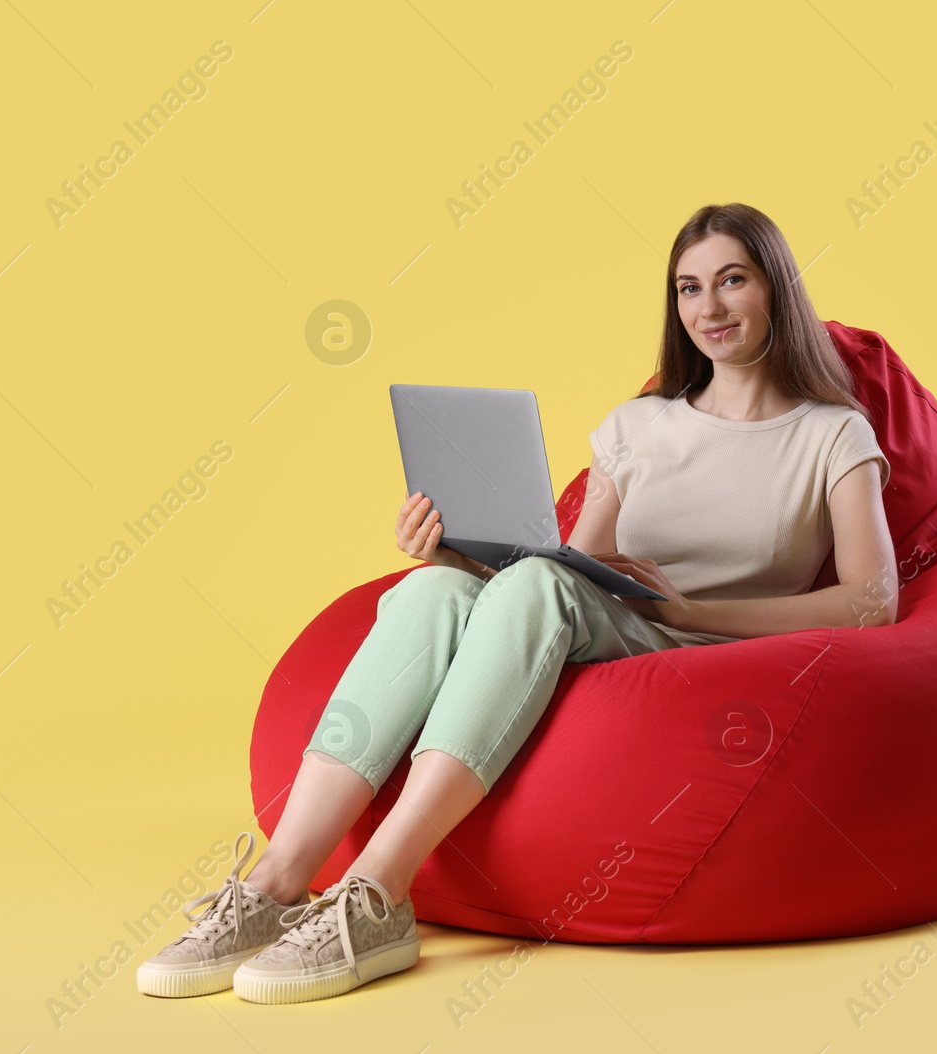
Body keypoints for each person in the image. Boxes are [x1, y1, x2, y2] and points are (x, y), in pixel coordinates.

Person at [136, 202, 898, 1005]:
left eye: (731, 281)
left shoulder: (831, 434)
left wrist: (687, 611)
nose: (708, 308)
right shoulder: (635, 426)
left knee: (538, 588)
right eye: (688, 288)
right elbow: (574, 563)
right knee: (434, 588)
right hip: (619, 616)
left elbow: (870, 602)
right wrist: (453, 549)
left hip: (705, 648)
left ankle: (375, 892)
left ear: (775, 286)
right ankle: (275, 883)